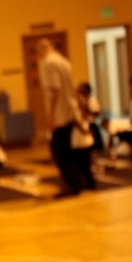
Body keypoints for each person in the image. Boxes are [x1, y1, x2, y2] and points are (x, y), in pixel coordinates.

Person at [37, 39, 81, 196]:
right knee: (67, 150)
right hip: (69, 110)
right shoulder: (65, 62)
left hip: (60, 114)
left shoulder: (49, 63)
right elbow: (73, 87)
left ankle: (70, 185)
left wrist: (51, 114)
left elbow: (55, 88)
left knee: (59, 153)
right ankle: (76, 183)